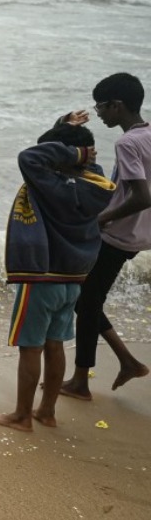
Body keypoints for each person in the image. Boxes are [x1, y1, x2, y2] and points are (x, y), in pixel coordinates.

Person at [0, 115, 114, 432]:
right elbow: (52, 156)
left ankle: (21, 415)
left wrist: (73, 150)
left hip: (41, 279)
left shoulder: (49, 184)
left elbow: (29, 156)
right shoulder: (92, 183)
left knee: (30, 347)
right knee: (55, 344)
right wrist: (69, 133)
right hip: (72, 280)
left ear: (66, 155)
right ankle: (46, 411)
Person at [60, 72, 151, 399]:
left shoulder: (127, 142)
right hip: (140, 235)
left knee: (84, 302)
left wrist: (101, 219)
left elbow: (142, 196)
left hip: (118, 235)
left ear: (117, 105)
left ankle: (82, 382)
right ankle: (126, 361)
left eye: (101, 107)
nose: (97, 113)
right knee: (87, 299)